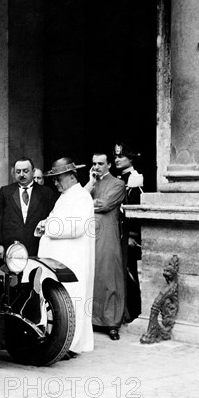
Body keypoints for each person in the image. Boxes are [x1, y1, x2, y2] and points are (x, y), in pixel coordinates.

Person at [35, 157, 95, 356]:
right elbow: (56, 219)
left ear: (70, 176)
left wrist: (48, 227)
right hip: (60, 261)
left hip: (73, 261)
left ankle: (72, 344)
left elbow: (76, 226)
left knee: (73, 302)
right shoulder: (65, 196)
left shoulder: (82, 197)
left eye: (58, 178)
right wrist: (45, 223)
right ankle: (62, 341)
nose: (55, 182)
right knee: (61, 303)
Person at [84, 152, 126, 340]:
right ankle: (93, 320)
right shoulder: (92, 184)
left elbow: (105, 204)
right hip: (89, 235)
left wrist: (85, 204)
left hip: (108, 236)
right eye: (94, 163)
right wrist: (90, 183)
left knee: (109, 277)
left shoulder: (118, 184)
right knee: (93, 276)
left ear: (109, 164)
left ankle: (112, 323)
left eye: (100, 163)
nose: (96, 167)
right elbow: (78, 199)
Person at [0, 157, 56, 256]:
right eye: (18, 171)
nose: (21, 175)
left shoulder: (46, 193)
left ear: (33, 172)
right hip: (11, 249)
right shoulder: (5, 192)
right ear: (14, 173)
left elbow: (52, 218)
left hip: (38, 248)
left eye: (25, 171)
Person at [114, 142, 143, 323]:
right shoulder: (117, 177)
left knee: (129, 274)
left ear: (130, 158)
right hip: (115, 233)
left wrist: (133, 236)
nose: (117, 159)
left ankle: (133, 312)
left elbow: (136, 211)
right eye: (115, 156)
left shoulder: (135, 179)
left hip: (127, 236)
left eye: (121, 156)